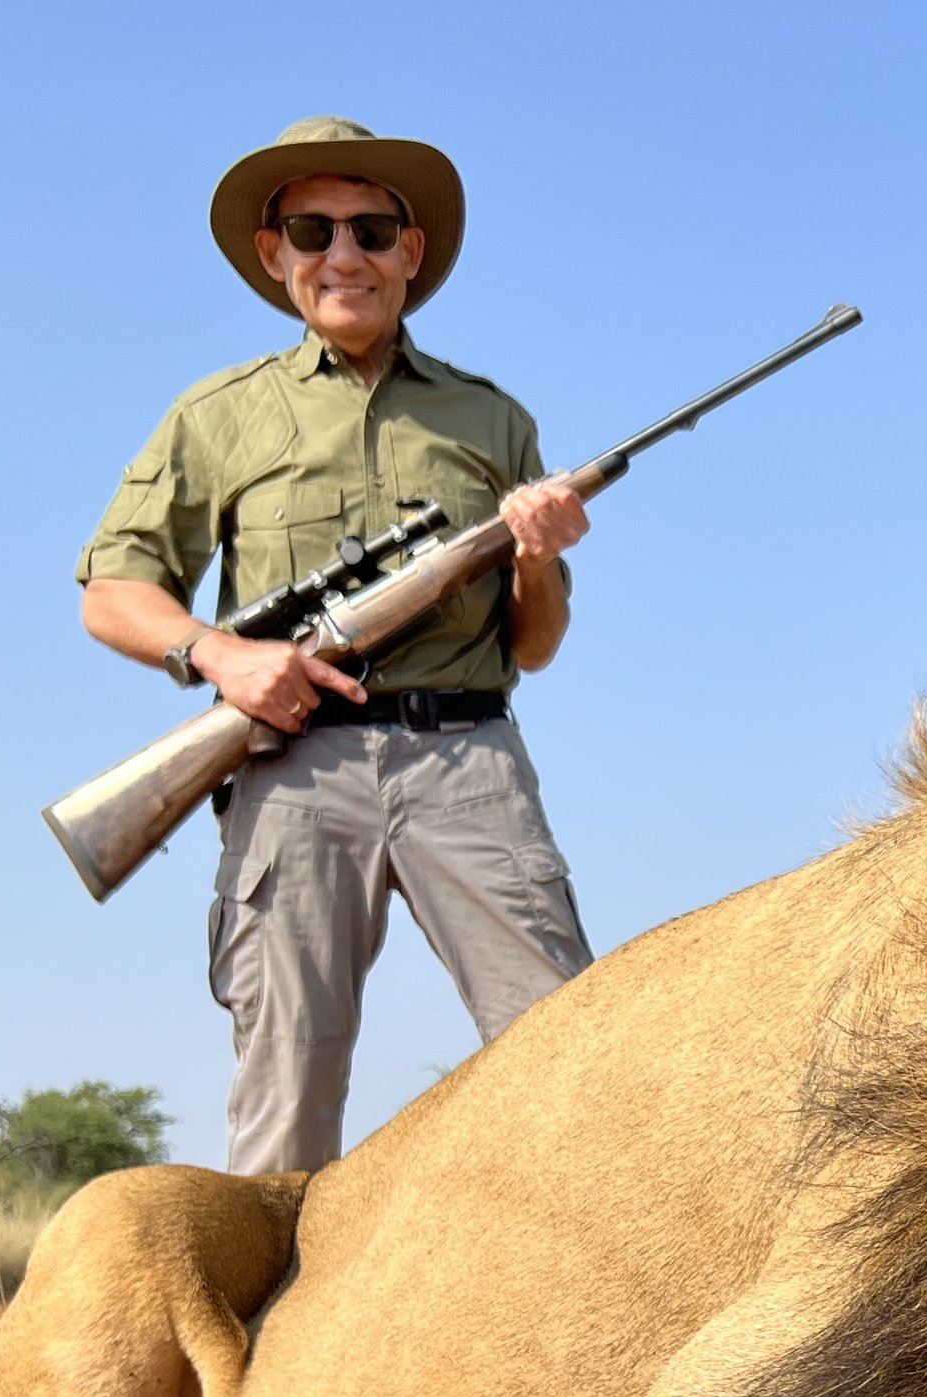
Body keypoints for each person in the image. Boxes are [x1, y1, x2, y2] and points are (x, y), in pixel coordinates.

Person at [77, 116, 597, 1173]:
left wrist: (536, 555)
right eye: (312, 230)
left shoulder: (492, 420)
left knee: (572, 1053)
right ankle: (269, 1343)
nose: (342, 255)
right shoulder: (215, 415)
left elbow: (533, 646)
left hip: (469, 761)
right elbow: (112, 589)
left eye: (370, 228)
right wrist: (220, 657)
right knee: (286, 1097)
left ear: (412, 250)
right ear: (276, 257)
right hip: (296, 770)